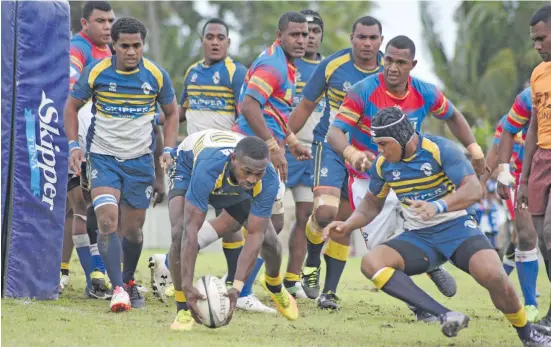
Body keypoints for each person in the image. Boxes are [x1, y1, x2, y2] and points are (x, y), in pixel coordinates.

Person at [324, 107, 551, 346]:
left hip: (458, 229)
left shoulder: (440, 149)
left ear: (402, 138)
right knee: (371, 263)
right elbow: (371, 203)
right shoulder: (383, 165)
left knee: (495, 276)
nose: (379, 150)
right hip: (419, 238)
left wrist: (439, 206)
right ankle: (445, 314)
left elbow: (474, 190)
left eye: (383, 143)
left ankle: (528, 335)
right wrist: (347, 225)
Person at [148, 18, 273, 313]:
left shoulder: (236, 73)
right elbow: (181, 110)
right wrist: (158, 121)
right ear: (202, 41)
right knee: (189, 227)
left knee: (232, 226)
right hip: (194, 160)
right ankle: (221, 289)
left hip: (227, 161)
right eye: (210, 37)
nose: (215, 42)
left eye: (221, 37)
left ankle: (173, 265)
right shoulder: (192, 72)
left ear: (228, 43)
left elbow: (246, 115)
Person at [64, 17, 179, 312]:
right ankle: (118, 289)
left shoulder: (156, 75)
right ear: (113, 46)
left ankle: (128, 279)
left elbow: (172, 112)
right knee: (106, 222)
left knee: (133, 231)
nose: (131, 51)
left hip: (140, 162)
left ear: (143, 45)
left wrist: (167, 149)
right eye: (124, 46)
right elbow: (71, 106)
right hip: (103, 158)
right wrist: (74, 145)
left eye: (136, 45)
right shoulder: (97, 72)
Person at [287, 15, 387, 309]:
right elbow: (305, 105)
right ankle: (313, 259)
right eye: (361, 37)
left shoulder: (389, 70)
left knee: (343, 223)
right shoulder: (332, 65)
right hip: (331, 146)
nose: (366, 43)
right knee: (325, 213)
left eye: (372, 38)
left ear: (380, 40)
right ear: (351, 38)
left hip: (367, 156)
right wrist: (283, 141)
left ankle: (329, 292)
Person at [167, 130, 298, 330]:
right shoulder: (208, 167)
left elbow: (255, 235)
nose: (253, 179)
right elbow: (191, 230)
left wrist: (237, 288)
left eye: (258, 173)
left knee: (270, 241)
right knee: (179, 233)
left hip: (229, 180)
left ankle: (273, 284)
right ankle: (183, 308)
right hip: (188, 166)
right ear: (234, 159)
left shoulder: (269, 178)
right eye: (248, 171)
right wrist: (187, 285)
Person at [231, 11, 310, 302]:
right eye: (294, 34)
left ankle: (242, 287)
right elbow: (249, 105)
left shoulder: (285, 64)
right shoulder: (274, 65)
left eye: (305, 34)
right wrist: (273, 148)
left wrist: (290, 140)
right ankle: (243, 290)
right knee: (260, 224)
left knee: (268, 224)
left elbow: (272, 109)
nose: (301, 39)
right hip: (253, 152)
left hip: (261, 148)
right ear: (280, 36)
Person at [60, 0, 115, 297]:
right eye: (101, 21)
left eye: (110, 21)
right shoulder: (77, 48)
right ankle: (94, 278)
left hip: (105, 136)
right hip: (78, 135)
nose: (107, 26)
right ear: (85, 23)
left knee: (89, 208)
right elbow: (71, 90)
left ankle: (96, 276)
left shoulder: (112, 51)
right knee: (82, 207)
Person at [483, 104, 540, 322]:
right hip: (516, 184)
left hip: (543, 179)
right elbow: (496, 152)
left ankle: (501, 277)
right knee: (527, 236)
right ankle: (530, 303)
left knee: (521, 239)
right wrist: (481, 181)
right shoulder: (511, 120)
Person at [282, 9, 325, 299]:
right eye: (302, 32)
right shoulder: (283, 66)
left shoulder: (330, 69)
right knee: (265, 215)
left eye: (314, 32)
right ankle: (241, 276)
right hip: (283, 148)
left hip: (313, 152)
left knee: (306, 215)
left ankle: (291, 279)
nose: (308, 37)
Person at [518, 5, 551, 332]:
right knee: (541, 239)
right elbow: (532, 127)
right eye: (534, 41)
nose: (537, 45)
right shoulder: (538, 74)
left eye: (542, 38)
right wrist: (524, 178)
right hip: (541, 158)